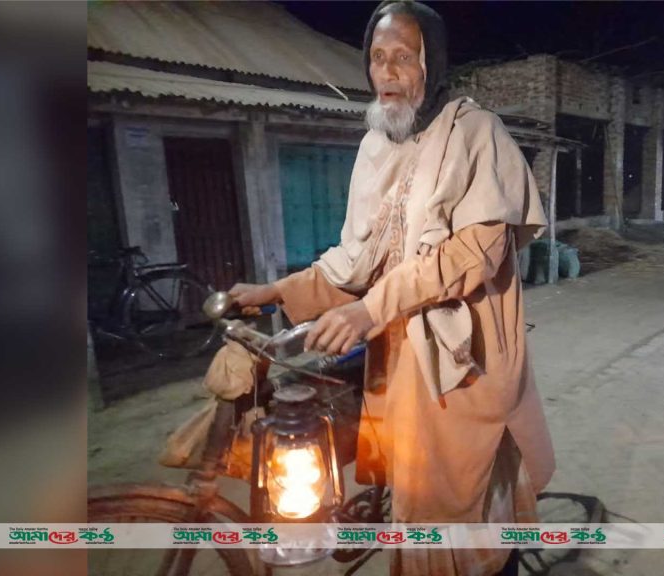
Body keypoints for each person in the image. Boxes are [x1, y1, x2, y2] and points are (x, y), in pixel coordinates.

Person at [230, 2, 555, 574]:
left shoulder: (476, 133)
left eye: (403, 57)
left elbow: (475, 253)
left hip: (461, 363)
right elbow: (356, 258)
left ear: (432, 63)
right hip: (398, 357)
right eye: (377, 58)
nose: (387, 73)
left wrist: (367, 311)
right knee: (413, 498)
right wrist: (276, 289)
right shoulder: (376, 146)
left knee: (461, 504)